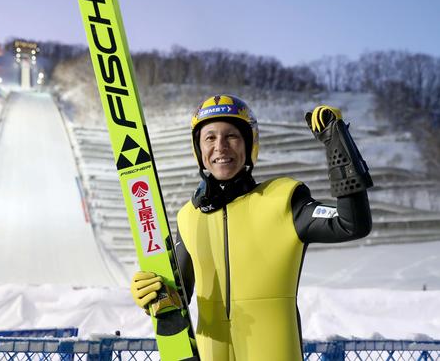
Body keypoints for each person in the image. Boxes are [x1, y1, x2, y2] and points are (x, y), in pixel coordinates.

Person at [131, 95, 373, 360]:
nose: (220, 147)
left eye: (232, 136)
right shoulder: (189, 217)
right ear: (198, 149)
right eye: (209, 138)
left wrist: (338, 146)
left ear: (249, 144)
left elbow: (352, 224)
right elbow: (178, 296)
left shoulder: (283, 199)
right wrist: (151, 291)